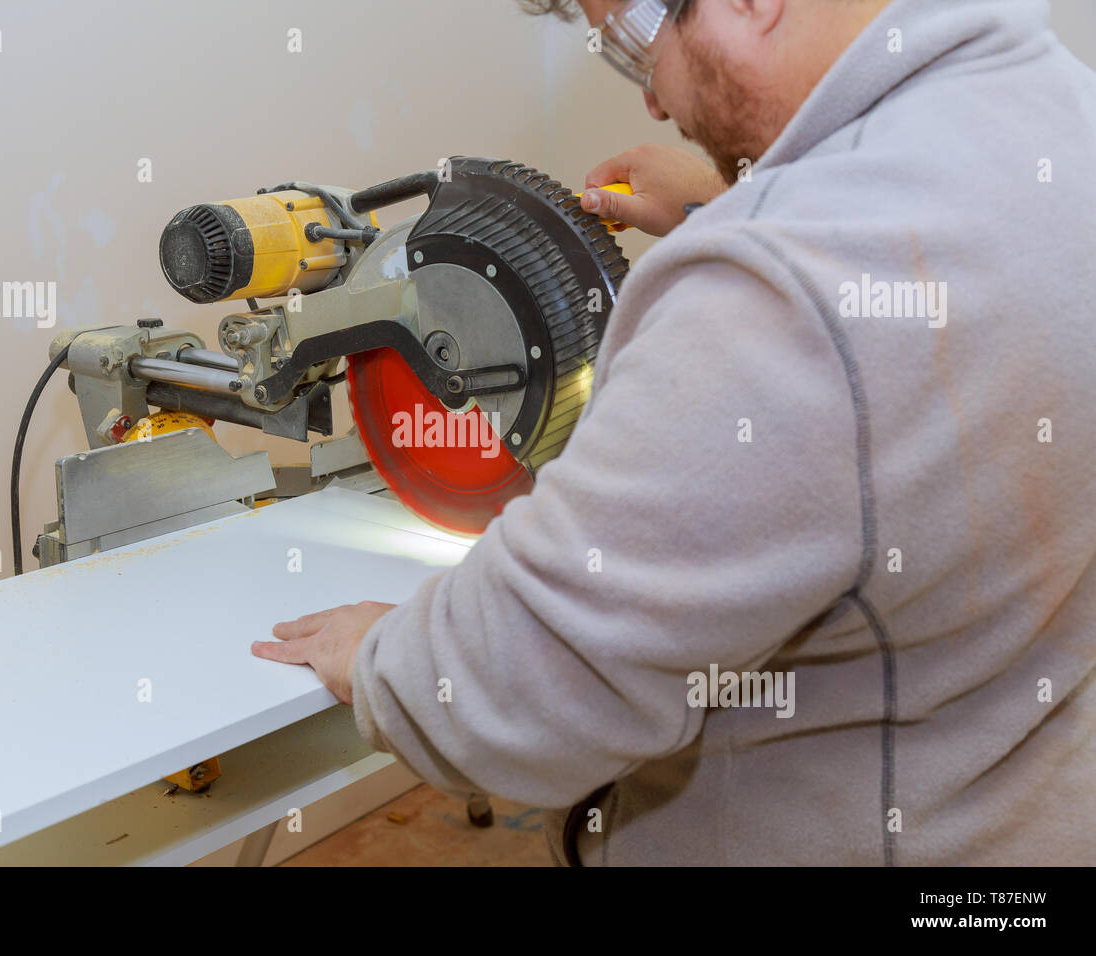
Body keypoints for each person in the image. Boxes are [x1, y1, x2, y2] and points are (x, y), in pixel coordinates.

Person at [252, 0, 1096, 865]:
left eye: (631, 41)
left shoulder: (781, 292)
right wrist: (726, 206)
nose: (653, 101)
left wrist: (389, 658)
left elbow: (526, 692)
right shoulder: (1057, 114)